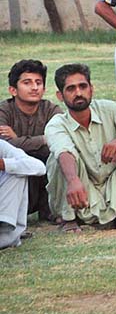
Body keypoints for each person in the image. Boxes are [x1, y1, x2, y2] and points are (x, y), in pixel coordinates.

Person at [45, 64, 116, 233]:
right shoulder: (56, 124)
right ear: (60, 96)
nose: (78, 93)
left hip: (113, 188)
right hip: (79, 193)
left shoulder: (108, 109)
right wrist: (73, 180)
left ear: (91, 89)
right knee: (61, 160)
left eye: (82, 86)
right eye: (71, 89)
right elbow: (64, 151)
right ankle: (68, 219)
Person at [0, 60, 62, 221]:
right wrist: (43, 139)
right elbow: (4, 147)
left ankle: (50, 210)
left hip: (44, 176)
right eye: (27, 82)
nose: (34, 87)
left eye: (38, 82)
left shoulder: (51, 110)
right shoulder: (3, 111)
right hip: (13, 179)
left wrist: (17, 140)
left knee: (56, 156)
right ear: (13, 90)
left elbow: (60, 141)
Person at [0, 139, 46, 249]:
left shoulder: (2, 146)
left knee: (17, 172)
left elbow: (39, 167)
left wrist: (3, 164)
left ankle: (5, 228)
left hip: (5, 233)